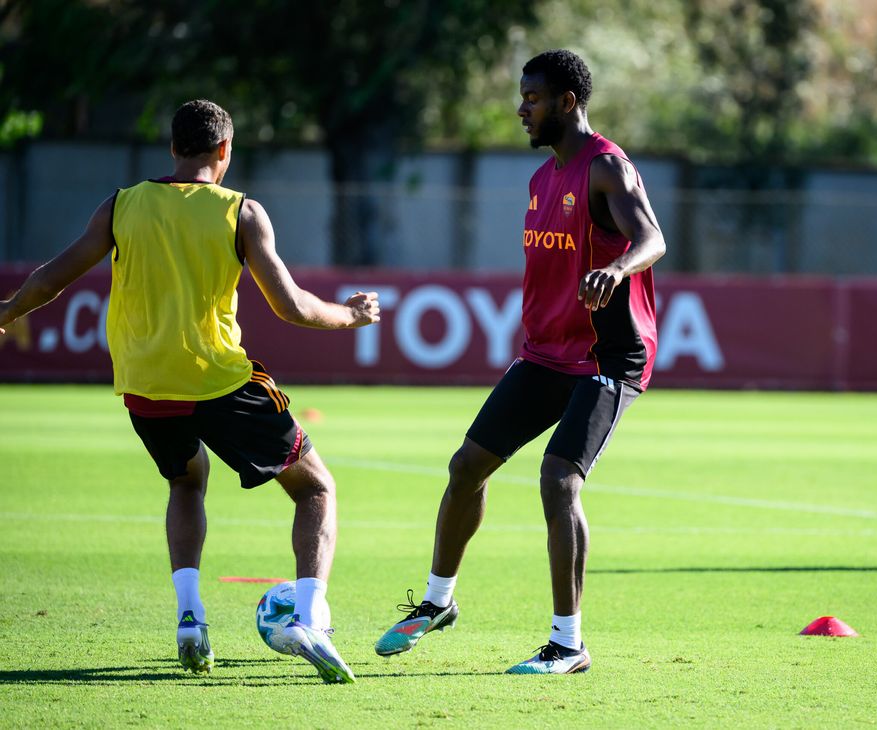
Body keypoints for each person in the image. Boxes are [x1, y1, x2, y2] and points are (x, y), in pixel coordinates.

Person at [0, 99, 379, 684]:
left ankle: (190, 617)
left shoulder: (122, 205)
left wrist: (7, 311)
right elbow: (292, 306)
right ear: (224, 151)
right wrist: (351, 317)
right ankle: (312, 618)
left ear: (173, 148)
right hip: (220, 380)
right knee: (315, 489)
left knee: (186, 479)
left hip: (144, 385)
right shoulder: (240, 212)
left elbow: (55, 275)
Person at [374, 49, 666, 674]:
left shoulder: (607, 168)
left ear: (567, 102)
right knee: (466, 466)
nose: (520, 108)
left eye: (531, 98)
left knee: (559, 478)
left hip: (607, 357)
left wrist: (615, 269)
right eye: (522, 96)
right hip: (546, 354)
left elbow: (652, 238)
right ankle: (437, 602)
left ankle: (569, 644)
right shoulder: (541, 181)